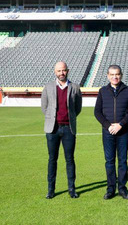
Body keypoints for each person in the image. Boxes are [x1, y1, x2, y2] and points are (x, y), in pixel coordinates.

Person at [94, 65, 128, 200]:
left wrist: (120, 124)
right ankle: (110, 189)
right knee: (109, 161)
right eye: (112, 74)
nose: (115, 77)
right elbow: (97, 112)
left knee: (123, 161)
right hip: (108, 133)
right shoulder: (102, 91)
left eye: (117, 74)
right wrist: (108, 126)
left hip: (123, 132)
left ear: (121, 75)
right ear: (108, 75)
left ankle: (122, 189)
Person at [41, 61, 82, 199]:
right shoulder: (48, 87)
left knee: (70, 159)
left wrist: (68, 118)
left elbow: (78, 108)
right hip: (52, 129)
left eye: (63, 70)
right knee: (52, 159)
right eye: (59, 71)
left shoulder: (75, 87)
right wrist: (53, 119)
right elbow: (44, 107)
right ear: (55, 72)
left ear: (68, 71)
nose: (61, 73)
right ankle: (51, 190)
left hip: (68, 129)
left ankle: (72, 189)